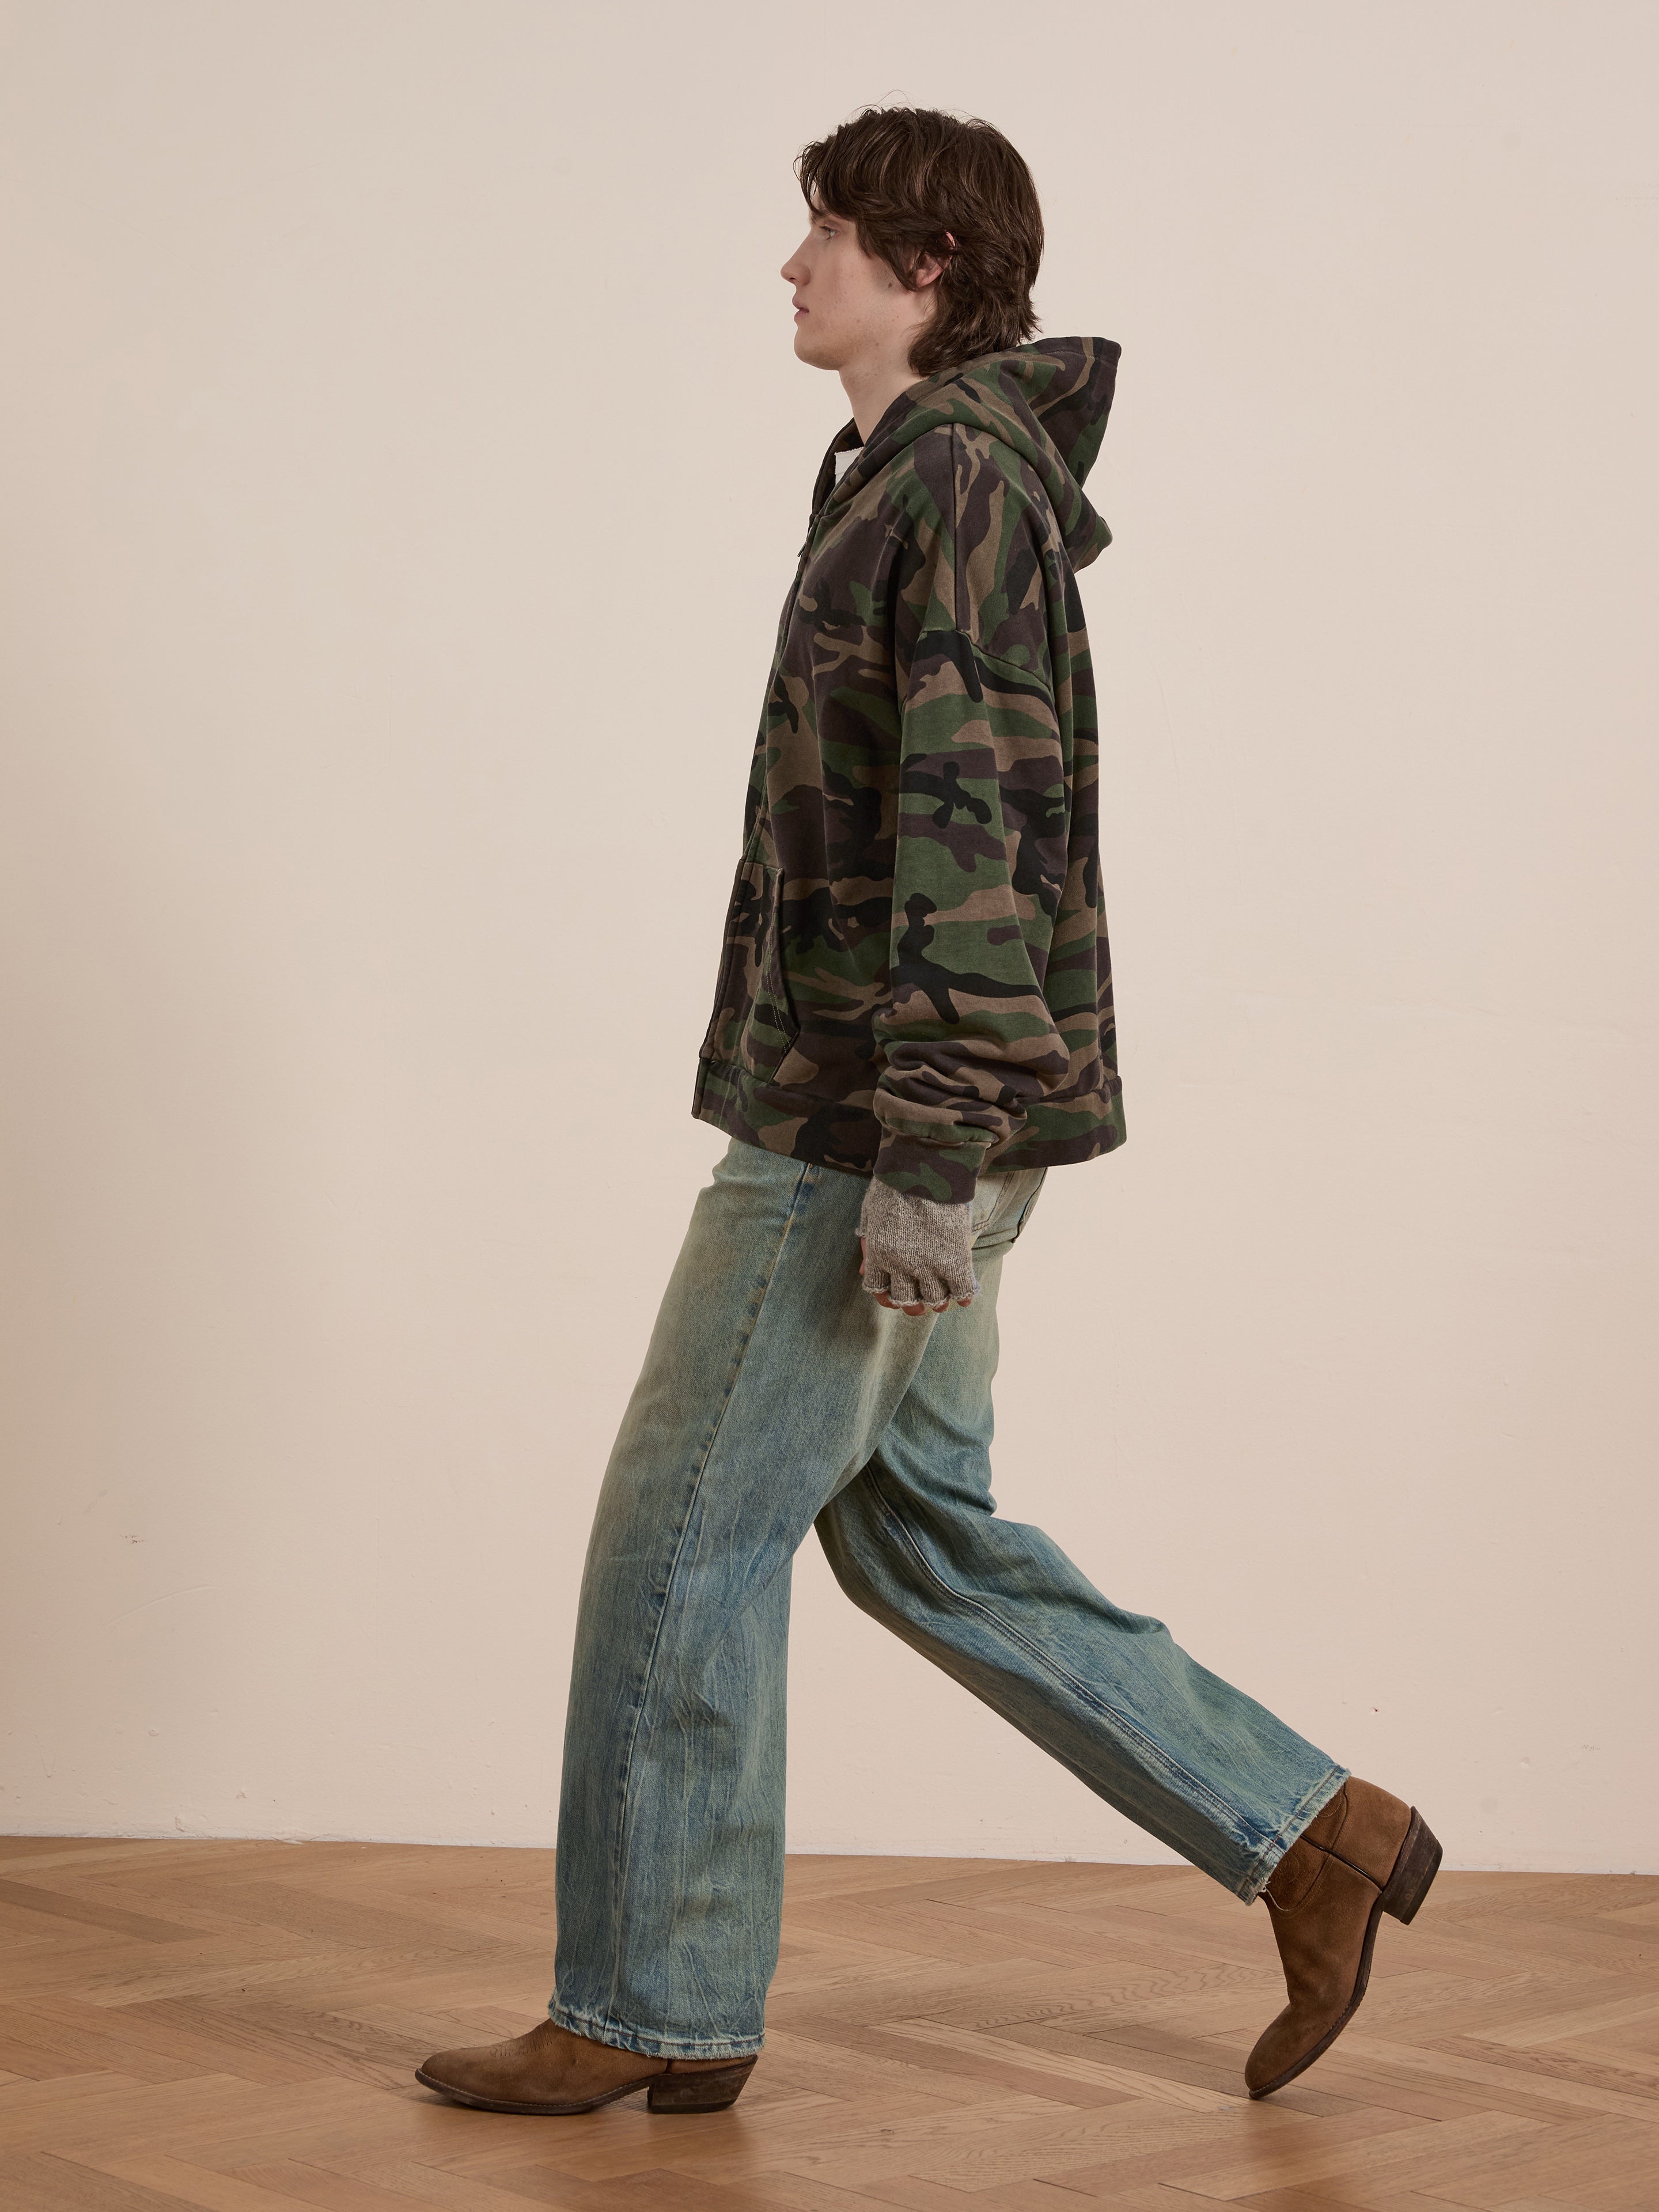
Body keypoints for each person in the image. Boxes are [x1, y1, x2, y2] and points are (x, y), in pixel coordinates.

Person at [416, 103, 1440, 2120]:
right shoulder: (910, 475)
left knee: (679, 1544)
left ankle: (643, 2003)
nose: (792, 268)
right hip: (906, 1106)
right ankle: (1317, 1832)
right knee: (922, 1539)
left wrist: (928, 1151)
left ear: (929, 269)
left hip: (867, 1123)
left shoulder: (954, 482)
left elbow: (977, 825)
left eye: (826, 235)